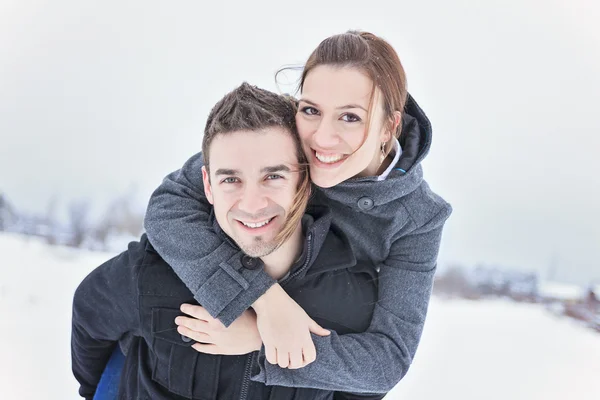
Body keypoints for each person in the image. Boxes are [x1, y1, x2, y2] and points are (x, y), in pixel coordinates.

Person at [144, 30, 452, 393]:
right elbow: (168, 206)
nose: (322, 137)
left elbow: (387, 360)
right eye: (311, 110)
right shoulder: (284, 133)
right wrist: (262, 299)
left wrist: (264, 341)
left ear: (389, 126)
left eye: (350, 117)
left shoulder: (418, 218)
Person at [71, 83, 383, 400]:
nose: (251, 203)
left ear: (302, 179)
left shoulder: (352, 301)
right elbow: (89, 315)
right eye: (231, 179)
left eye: (273, 176)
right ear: (208, 185)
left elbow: (367, 387)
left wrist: (266, 340)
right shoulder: (156, 271)